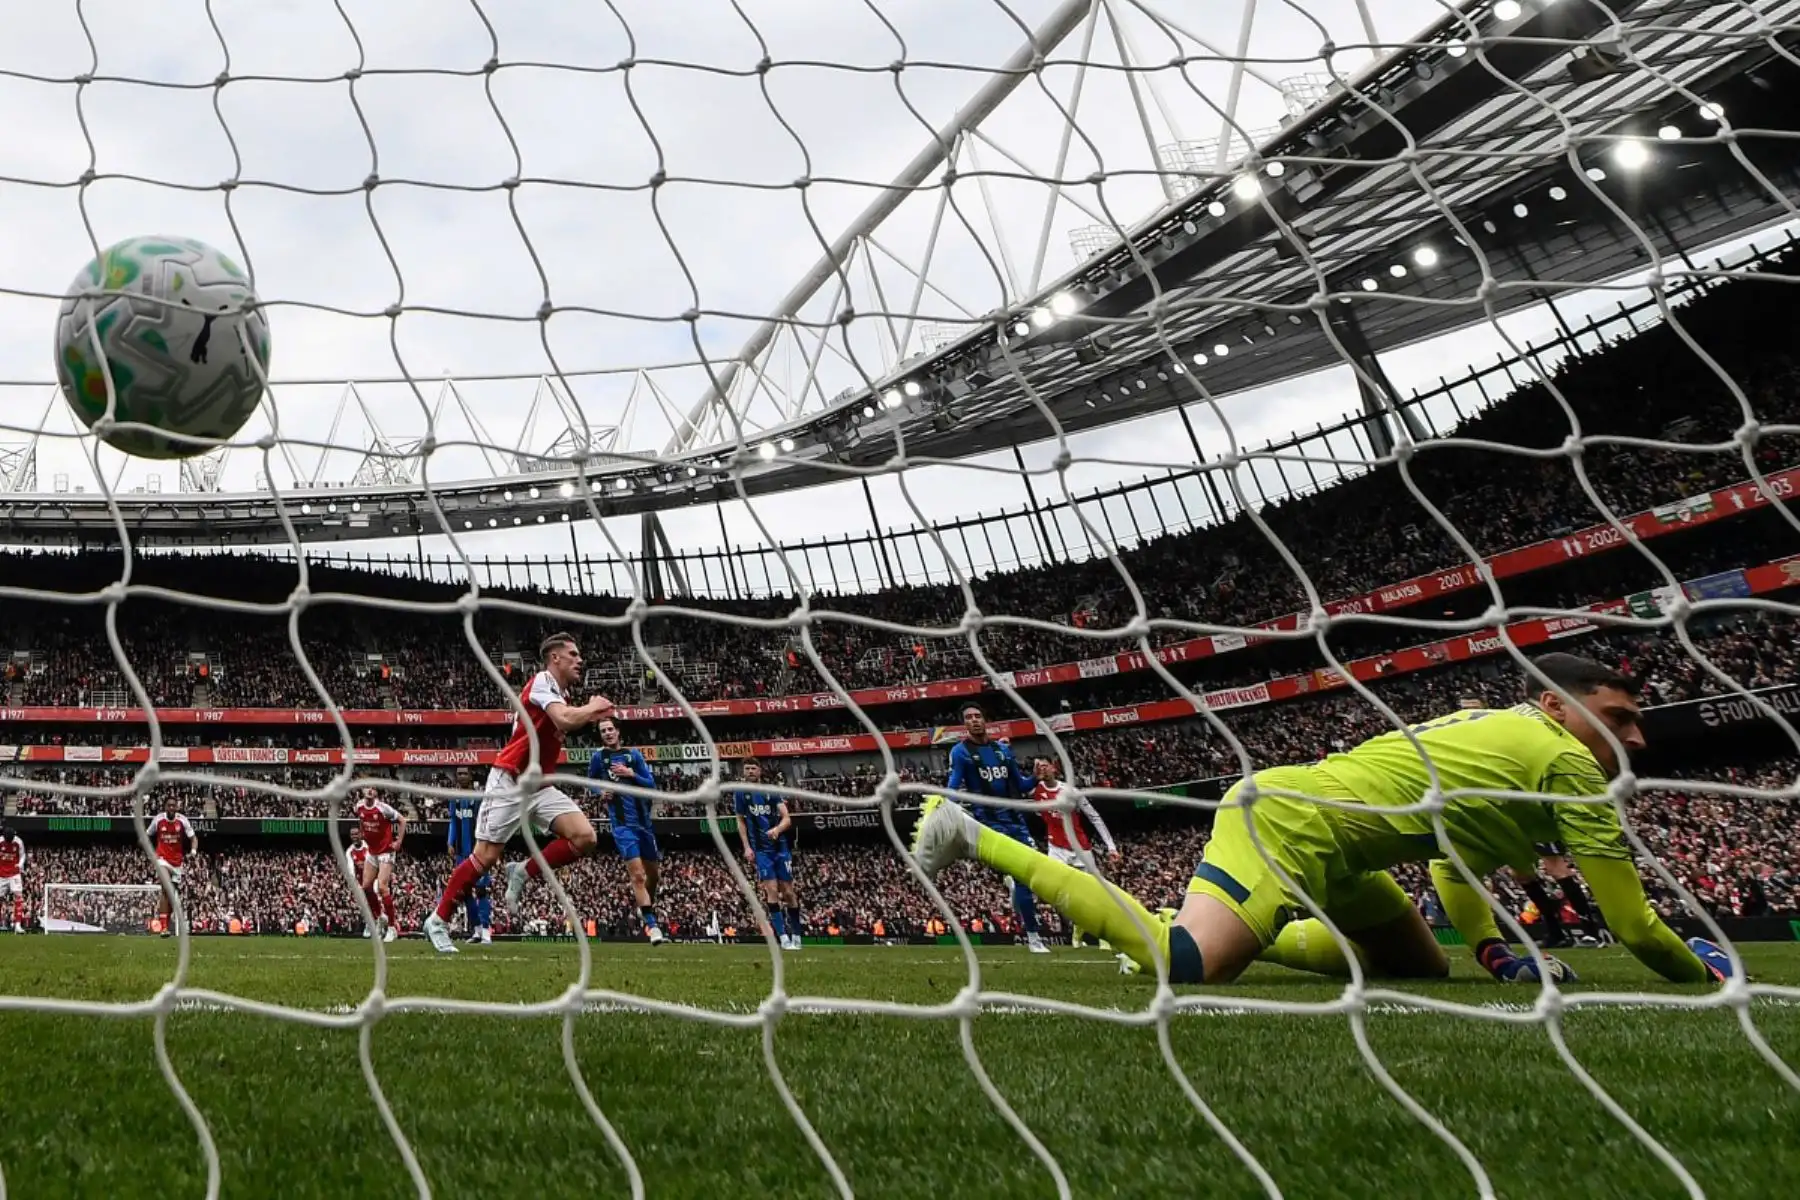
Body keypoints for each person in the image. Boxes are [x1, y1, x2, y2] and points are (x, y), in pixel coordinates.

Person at [912, 654, 1734, 988]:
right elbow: (1633, 924)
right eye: (1618, 717)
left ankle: (1243, 920)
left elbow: (1453, 857)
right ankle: (968, 834)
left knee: (1416, 971)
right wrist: (1707, 970)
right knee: (1188, 966)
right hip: (1292, 820)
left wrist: (1494, 954)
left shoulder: (1514, 742)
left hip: (1345, 843)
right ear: (1555, 706)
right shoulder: (1558, 759)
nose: (1634, 737)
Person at [424, 632, 613, 954]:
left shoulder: (559, 693)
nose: (580, 660)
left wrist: (589, 712)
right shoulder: (541, 681)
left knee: (585, 838)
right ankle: (437, 921)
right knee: (484, 857)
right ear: (555, 658)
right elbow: (565, 720)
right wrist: (593, 707)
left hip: (538, 785)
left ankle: (522, 871)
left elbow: (566, 718)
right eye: (573, 654)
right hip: (509, 781)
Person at [946, 702, 1048, 954]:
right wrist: (944, 805)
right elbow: (954, 785)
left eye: (977, 716)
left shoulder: (1003, 751)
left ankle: (1032, 933)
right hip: (989, 823)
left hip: (1016, 822)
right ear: (964, 724)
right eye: (968, 718)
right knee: (1019, 874)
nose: (974, 720)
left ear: (985, 720)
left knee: (1028, 879)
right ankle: (1033, 935)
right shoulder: (960, 752)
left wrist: (1036, 777)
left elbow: (1021, 786)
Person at [584, 717, 663, 944]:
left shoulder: (634, 756)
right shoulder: (599, 758)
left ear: (618, 732)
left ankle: (646, 906)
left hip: (644, 825)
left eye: (610, 729)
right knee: (637, 876)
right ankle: (653, 927)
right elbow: (591, 782)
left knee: (653, 876)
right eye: (603, 731)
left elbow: (651, 785)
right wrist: (601, 792)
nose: (607, 733)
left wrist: (631, 775)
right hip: (621, 825)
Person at [1030, 756, 1118, 948]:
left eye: (1046, 766)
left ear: (1055, 769)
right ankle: (1076, 924)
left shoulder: (1070, 792)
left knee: (1095, 891)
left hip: (1080, 848)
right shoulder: (1036, 791)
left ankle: (1100, 934)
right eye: (1039, 767)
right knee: (1054, 888)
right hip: (1056, 847)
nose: (1043, 769)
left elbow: (1094, 817)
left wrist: (1110, 846)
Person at [733, 758, 800, 950]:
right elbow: (740, 821)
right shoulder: (740, 794)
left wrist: (777, 830)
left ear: (759, 771)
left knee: (788, 892)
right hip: (762, 850)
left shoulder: (771, 792)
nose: (750, 771)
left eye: (753, 768)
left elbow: (787, 819)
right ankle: (783, 937)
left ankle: (796, 933)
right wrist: (746, 846)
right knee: (771, 891)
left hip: (780, 848)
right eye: (747, 769)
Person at [353, 787, 407, 943]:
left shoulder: (383, 809)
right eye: (367, 788)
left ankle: (391, 927)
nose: (369, 791)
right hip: (372, 851)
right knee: (366, 887)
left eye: (373, 789)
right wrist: (363, 833)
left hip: (386, 851)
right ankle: (379, 917)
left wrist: (399, 841)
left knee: (382, 887)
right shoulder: (359, 806)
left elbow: (402, 820)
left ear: (376, 793)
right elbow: (362, 821)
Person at [446, 767, 491, 944]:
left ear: (471, 776)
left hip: (478, 850)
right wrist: (450, 841)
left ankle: (487, 930)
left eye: (465, 773)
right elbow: (452, 821)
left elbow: (485, 822)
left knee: (481, 890)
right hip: (461, 853)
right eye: (459, 774)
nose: (462, 776)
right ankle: (477, 930)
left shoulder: (479, 798)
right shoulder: (454, 798)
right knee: (465, 892)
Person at [149, 800, 200, 938]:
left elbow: (193, 838)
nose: (171, 808)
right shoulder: (158, 819)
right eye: (169, 805)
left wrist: (193, 852)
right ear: (165, 807)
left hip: (177, 863)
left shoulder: (182, 820)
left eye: (174, 805)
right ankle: (163, 927)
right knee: (166, 888)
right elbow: (148, 835)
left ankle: (165, 922)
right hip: (162, 859)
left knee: (172, 895)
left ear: (177, 807)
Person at [0, 822, 25, 933]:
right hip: (1, 874)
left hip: (14, 873)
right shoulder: (0, 841)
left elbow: (23, 854)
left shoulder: (18, 842)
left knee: (18, 896)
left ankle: (18, 925)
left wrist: (20, 864)